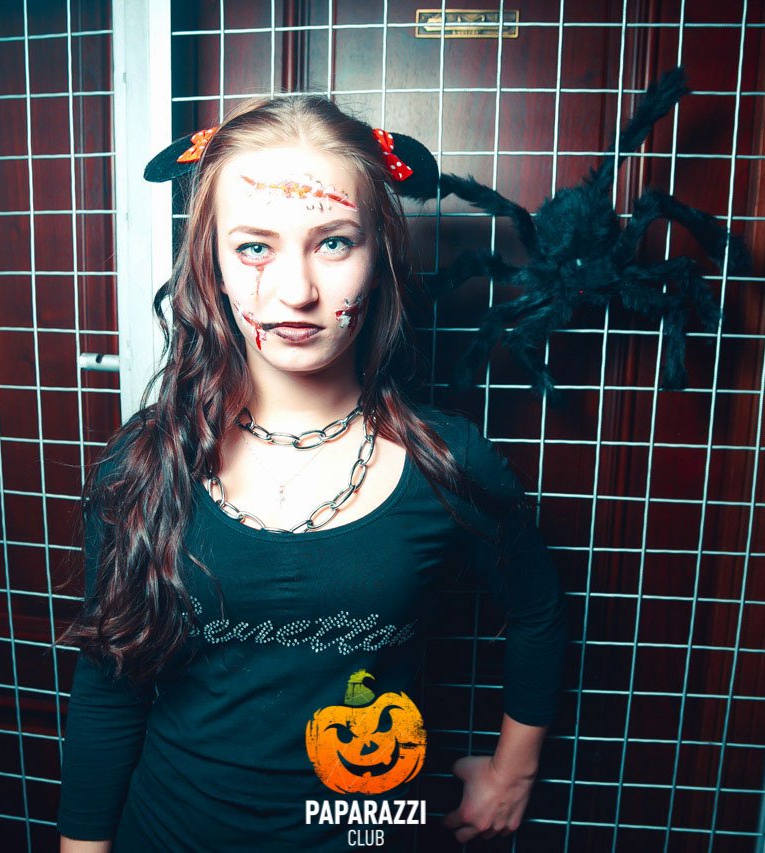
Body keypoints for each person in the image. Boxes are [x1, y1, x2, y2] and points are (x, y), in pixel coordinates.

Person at [54, 94, 568, 852]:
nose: (295, 291)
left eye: (333, 242)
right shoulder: (148, 459)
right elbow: (109, 683)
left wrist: (512, 772)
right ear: (211, 265)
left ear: (379, 256)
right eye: (253, 247)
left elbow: (537, 612)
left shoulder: (448, 460)